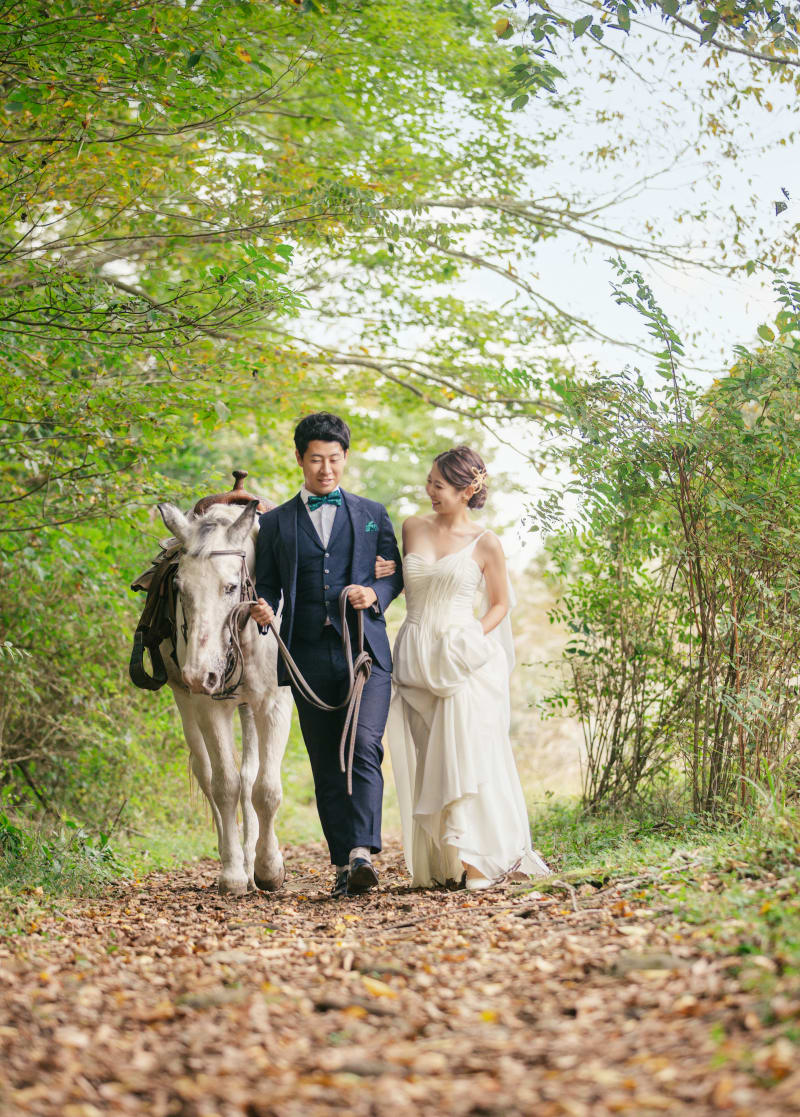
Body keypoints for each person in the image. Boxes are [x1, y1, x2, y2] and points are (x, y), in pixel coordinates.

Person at [250, 413, 404, 898]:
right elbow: (270, 585)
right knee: (325, 760)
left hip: (364, 650)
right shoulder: (275, 524)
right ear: (299, 459)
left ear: (345, 459)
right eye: (316, 459)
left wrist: (375, 593)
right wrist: (262, 608)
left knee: (363, 746)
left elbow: (395, 573)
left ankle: (362, 850)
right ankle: (345, 864)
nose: (325, 469)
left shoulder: (373, 512)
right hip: (306, 654)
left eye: (334, 459)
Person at [385, 446, 549, 890]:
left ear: (468, 488)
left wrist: (473, 636)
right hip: (415, 657)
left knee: (465, 755)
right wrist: (390, 572)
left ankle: (479, 860)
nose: (429, 490)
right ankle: (447, 860)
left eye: (438, 484)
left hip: (462, 658)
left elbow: (501, 603)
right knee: (429, 758)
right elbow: (410, 581)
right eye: (429, 481)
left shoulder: (486, 542)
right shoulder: (412, 527)